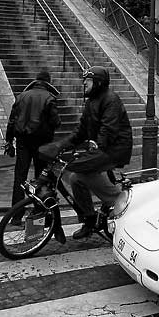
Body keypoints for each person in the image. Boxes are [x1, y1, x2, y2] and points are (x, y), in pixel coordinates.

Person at [60, 66, 133, 238]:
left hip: (115, 149)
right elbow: (81, 130)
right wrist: (62, 145)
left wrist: (97, 146)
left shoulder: (111, 100)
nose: (84, 82)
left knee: (81, 171)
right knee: (75, 179)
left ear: (98, 83)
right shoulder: (91, 102)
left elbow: (109, 128)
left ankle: (119, 201)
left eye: (88, 80)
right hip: (102, 148)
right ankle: (90, 219)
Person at [4, 69, 61, 224]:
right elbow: (56, 122)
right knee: (41, 178)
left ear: (36, 81)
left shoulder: (22, 96)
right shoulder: (50, 98)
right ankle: (39, 211)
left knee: (19, 178)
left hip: (22, 142)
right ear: (47, 82)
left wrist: (9, 141)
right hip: (42, 144)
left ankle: (16, 216)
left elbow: (12, 121)